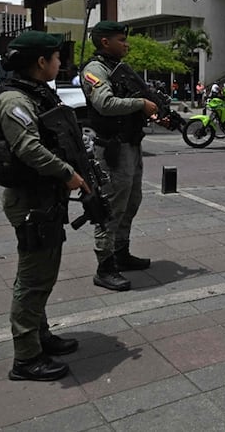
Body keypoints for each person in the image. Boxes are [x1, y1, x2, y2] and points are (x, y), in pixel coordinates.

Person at [0, 30, 88, 382]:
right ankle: (26, 359)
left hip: (44, 198)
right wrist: (67, 174)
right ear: (41, 62)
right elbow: (28, 149)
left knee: (41, 274)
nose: (61, 64)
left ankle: (40, 336)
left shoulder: (34, 94)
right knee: (32, 279)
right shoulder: (13, 100)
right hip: (30, 201)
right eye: (56, 58)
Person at [80, 21, 159, 292]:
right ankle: (105, 267)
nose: (126, 44)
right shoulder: (95, 70)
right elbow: (105, 103)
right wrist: (140, 104)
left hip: (131, 145)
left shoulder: (118, 69)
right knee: (111, 207)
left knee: (131, 202)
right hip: (112, 149)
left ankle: (121, 252)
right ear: (105, 42)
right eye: (121, 39)